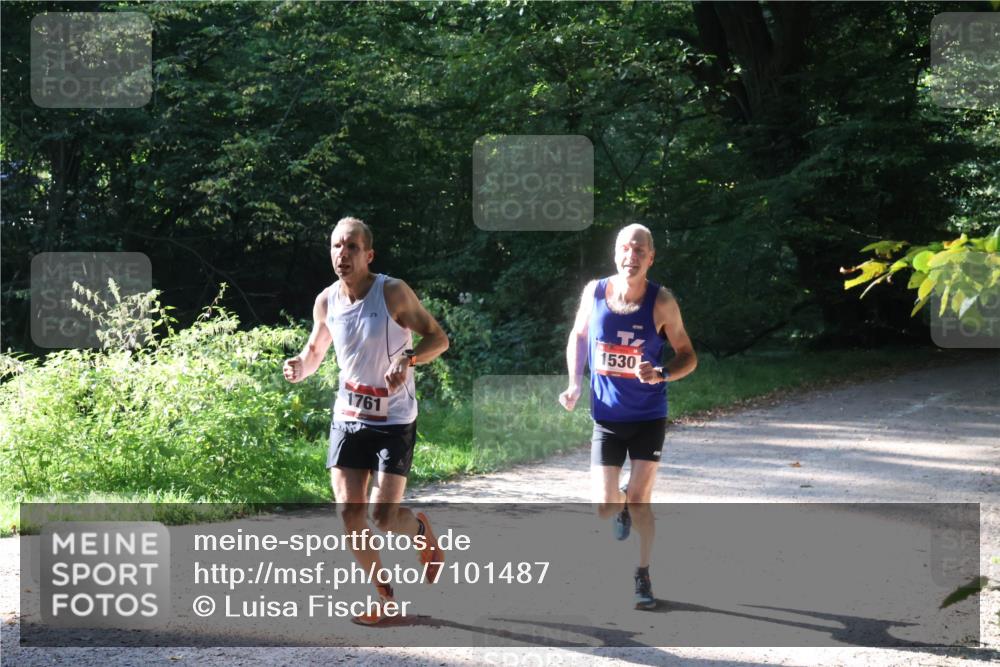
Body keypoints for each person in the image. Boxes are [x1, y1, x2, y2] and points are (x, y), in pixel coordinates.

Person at [283, 216, 450, 625]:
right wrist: (299, 368)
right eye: (337, 246)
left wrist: (407, 360)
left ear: (368, 254)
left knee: (383, 517)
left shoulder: (391, 292)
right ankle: (384, 595)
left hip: (393, 420)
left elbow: (438, 339)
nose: (343, 254)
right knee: (348, 512)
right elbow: (314, 352)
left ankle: (421, 531)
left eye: (352, 247)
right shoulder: (326, 301)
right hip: (348, 415)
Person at [559, 223, 696, 610]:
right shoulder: (595, 291)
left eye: (639, 250)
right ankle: (618, 509)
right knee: (605, 506)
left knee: (638, 500)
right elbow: (579, 335)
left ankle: (642, 572)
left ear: (651, 257)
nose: (631, 256)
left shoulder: (661, 301)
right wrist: (574, 383)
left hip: (648, 416)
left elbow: (688, 355)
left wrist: (663, 372)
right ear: (615, 252)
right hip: (606, 416)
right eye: (625, 248)